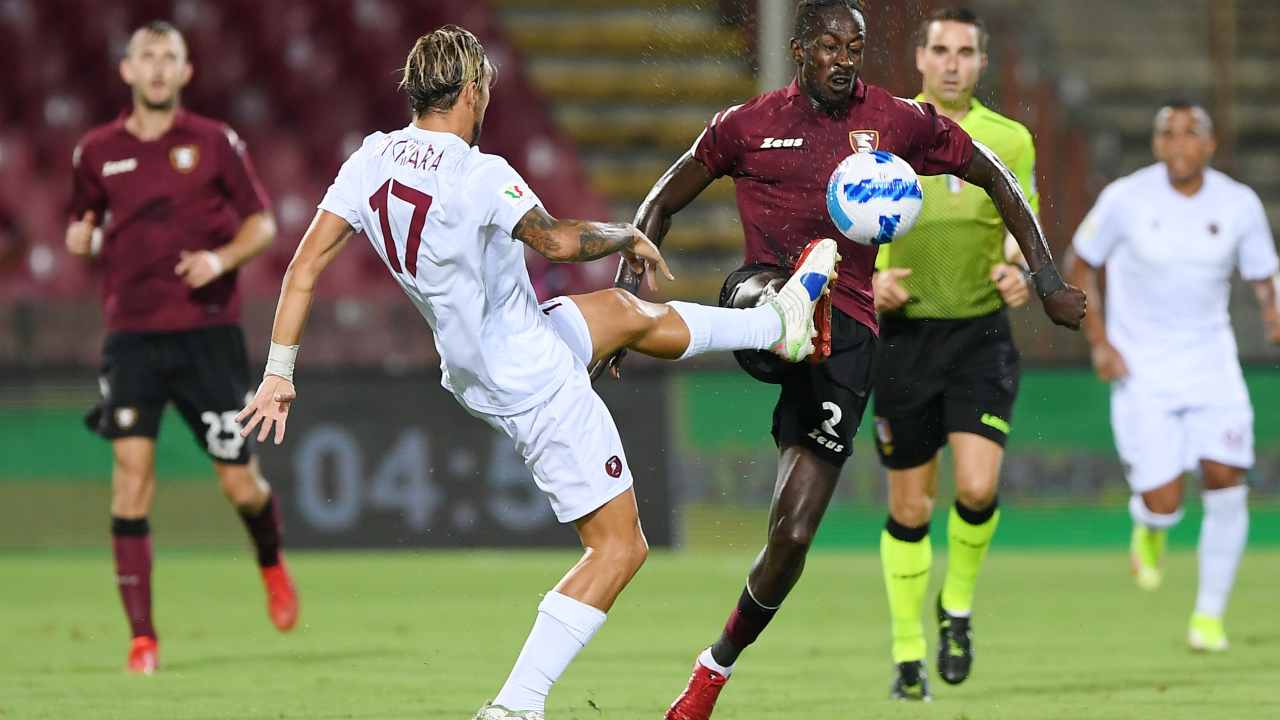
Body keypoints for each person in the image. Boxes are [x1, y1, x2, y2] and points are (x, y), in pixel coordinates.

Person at [234, 26, 839, 720]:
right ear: (470, 91)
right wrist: (625, 233)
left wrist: (280, 371)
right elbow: (555, 238)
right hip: (530, 377)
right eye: (484, 84)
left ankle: (779, 326)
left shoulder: (370, 160)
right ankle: (515, 706)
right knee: (619, 548)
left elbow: (305, 264)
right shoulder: (478, 172)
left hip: (486, 353)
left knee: (625, 313)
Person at [593, 1, 1086, 717]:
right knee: (772, 299)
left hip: (848, 338)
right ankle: (790, 301)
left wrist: (1046, 279)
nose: (845, 59)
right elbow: (658, 206)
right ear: (800, 50)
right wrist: (623, 294)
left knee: (791, 538)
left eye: (855, 47)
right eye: (830, 46)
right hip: (758, 305)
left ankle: (711, 672)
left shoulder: (896, 122)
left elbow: (997, 178)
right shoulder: (747, 125)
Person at [65, 20, 294, 675]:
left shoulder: (215, 142)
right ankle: (143, 639)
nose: (159, 67)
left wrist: (221, 259)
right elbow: (82, 221)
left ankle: (271, 562)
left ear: (187, 72)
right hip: (131, 339)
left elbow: (263, 223)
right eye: (148, 56)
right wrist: (79, 238)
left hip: (208, 337)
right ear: (128, 71)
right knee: (132, 480)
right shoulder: (95, 151)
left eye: (171, 57)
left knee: (238, 482)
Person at [869, 7, 1037, 698]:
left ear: (981, 63)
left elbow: (1019, 224)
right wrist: (867, 279)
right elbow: (850, 218)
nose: (951, 63)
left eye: (964, 52)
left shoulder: (1009, 139)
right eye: (939, 49)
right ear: (919, 59)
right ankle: (908, 652)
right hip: (904, 339)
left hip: (979, 334)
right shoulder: (882, 132)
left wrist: (1019, 271)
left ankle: (956, 609)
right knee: (911, 510)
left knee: (976, 487)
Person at [1069, 101, 1279, 653]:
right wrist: (1100, 342)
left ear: (1210, 145)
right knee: (1165, 501)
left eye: (1192, 133)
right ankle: (1150, 526)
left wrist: (1274, 314)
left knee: (1226, 477)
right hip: (1143, 369)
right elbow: (1080, 262)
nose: (1180, 142)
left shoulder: (1238, 204)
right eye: (1169, 133)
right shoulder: (1125, 199)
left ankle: (1208, 619)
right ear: (1157, 145)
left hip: (1213, 363)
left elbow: (1264, 276)